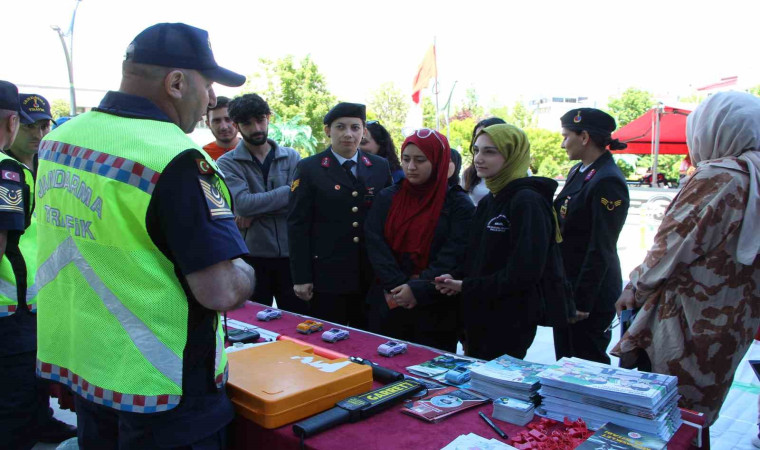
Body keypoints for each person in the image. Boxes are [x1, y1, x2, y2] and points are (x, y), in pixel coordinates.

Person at [35, 23, 255, 448]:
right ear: (176, 83)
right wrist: (245, 270)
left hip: (87, 370)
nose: (211, 99)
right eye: (207, 85)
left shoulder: (58, 142)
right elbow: (221, 291)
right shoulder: (175, 160)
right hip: (162, 392)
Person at [612, 91, 760, 425]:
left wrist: (634, 286)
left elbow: (672, 248)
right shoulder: (755, 176)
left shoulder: (719, 176)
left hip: (687, 322)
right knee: (695, 418)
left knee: (660, 416)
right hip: (733, 322)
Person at [434, 124, 565, 360]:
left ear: (513, 155)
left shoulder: (527, 201)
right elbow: (477, 256)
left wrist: (466, 286)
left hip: (510, 317)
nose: (479, 159)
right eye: (476, 150)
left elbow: (524, 272)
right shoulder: (490, 200)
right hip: (478, 311)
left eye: (490, 152)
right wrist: (455, 278)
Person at [364, 129, 474, 352]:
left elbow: (455, 252)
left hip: (435, 307)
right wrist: (398, 287)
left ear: (438, 161)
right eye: (406, 159)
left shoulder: (458, 204)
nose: (411, 167)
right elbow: (375, 243)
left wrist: (417, 289)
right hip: (389, 302)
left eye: (420, 160)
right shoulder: (388, 197)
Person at [288, 102, 391, 327]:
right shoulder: (310, 168)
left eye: (355, 127)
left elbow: (388, 219)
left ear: (363, 131)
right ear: (328, 130)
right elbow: (298, 224)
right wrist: (301, 277)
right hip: (327, 275)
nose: (348, 134)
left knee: (371, 336)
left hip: (370, 273)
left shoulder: (379, 166)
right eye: (340, 127)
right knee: (330, 341)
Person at [553, 108, 629, 364]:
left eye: (566, 136)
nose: (563, 144)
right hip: (569, 286)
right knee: (564, 362)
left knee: (586, 365)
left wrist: (582, 301)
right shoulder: (580, 170)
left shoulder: (607, 181)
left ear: (584, 137)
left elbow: (601, 246)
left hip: (590, 295)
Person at [218, 94, 305, 313]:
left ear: (268, 118)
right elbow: (244, 204)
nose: (256, 127)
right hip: (252, 258)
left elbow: (301, 202)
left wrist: (256, 211)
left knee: (299, 322)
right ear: (237, 126)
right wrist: (288, 191)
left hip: (292, 256)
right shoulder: (227, 163)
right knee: (254, 323)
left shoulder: (292, 156)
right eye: (247, 123)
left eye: (260, 120)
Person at [462, 117, 507, 205]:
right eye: (477, 136)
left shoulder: (521, 175)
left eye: (490, 151)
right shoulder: (469, 174)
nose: (478, 160)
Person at [9, 93, 52, 172]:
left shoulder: (51, 162)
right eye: (29, 126)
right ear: (11, 124)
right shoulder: (3, 163)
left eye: (44, 126)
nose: (39, 135)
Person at [203, 95, 239, 160]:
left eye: (228, 119)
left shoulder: (254, 150)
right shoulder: (202, 155)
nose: (224, 127)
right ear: (208, 124)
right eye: (217, 121)